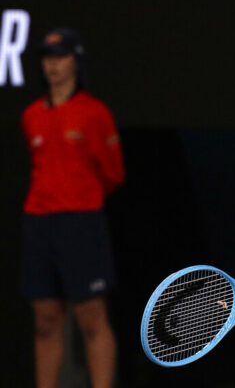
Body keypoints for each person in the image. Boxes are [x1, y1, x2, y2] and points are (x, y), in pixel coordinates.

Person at [20, 28, 124, 388]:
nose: (53, 65)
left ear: (76, 61)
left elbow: (113, 173)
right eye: (48, 58)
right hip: (39, 223)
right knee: (45, 318)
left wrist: (80, 198)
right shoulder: (32, 114)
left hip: (80, 222)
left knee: (91, 317)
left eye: (61, 56)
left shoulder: (94, 114)